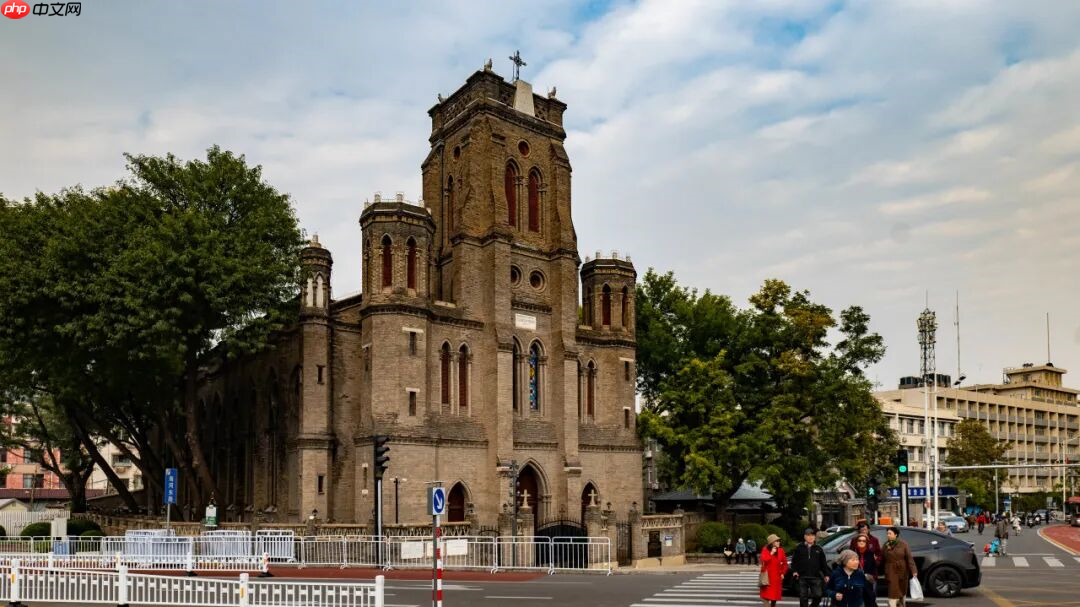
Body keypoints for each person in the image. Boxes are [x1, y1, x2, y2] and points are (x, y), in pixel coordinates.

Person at [791, 528, 830, 607]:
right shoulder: (799, 548)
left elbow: (823, 563)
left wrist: (826, 575)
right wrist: (794, 571)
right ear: (805, 537)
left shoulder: (818, 549)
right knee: (803, 597)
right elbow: (794, 561)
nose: (810, 537)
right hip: (802, 576)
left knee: (818, 595)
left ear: (815, 537)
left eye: (812, 535)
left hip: (815, 576)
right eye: (808, 535)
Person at [882, 526, 917, 607]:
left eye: (890, 533)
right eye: (887, 533)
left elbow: (909, 558)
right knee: (892, 590)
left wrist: (914, 571)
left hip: (902, 569)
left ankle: (901, 604)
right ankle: (892, 605)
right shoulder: (886, 545)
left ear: (896, 534)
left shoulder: (903, 544)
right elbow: (882, 557)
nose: (888, 535)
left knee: (902, 589)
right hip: (890, 569)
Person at [759, 534, 789, 607]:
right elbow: (763, 560)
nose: (779, 542)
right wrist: (771, 553)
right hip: (767, 578)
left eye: (779, 541)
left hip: (777, 579)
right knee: (765, 598)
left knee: (774, 598)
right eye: (777, 541)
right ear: (772, 543)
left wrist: (782, 573)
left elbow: (785, 563)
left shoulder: (781, 550)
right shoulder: (765, 550)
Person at [853, 533, 880, 606]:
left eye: (864, 541)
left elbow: (874, 567)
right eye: (859, 540)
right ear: (857, 542)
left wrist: (873, 577)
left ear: (867, 543)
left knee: (870, 601)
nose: (861, 542)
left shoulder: (870, 553)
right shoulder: (852, 553)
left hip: (868, 581)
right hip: (856, 582)